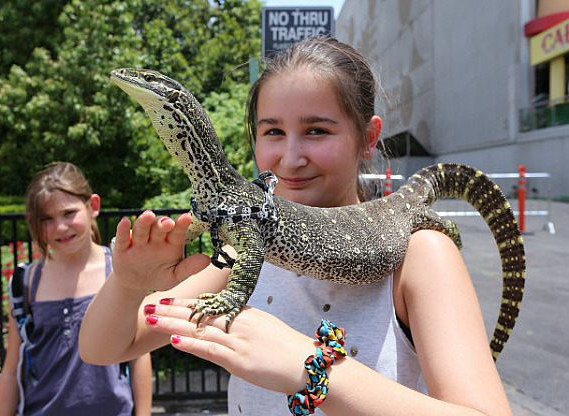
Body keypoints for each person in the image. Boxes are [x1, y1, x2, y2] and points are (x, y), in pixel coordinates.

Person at [79, 37, 512, 415]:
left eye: (318, 131)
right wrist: (128, 284)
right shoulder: (242, 253)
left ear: (368, 137)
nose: (290, 158)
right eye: (272, 132)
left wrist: (312, 365)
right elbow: (103, 349)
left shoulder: (421, 253)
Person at [0, 162, 152, 416]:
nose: (60, 227)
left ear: (93, 207)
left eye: (69, 213)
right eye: (47, 219)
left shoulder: (121, 272)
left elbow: (139, 356)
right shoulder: (25, 281)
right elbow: (12, 368)